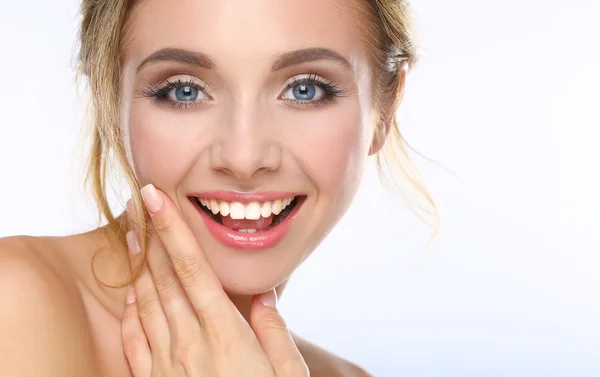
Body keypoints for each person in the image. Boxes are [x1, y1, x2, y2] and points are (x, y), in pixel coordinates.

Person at [0, 0, 437, 376]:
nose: (244, 158)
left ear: (385, 109)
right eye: (185, 92)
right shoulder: (15, 305)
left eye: (305, 90)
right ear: (110, 101)